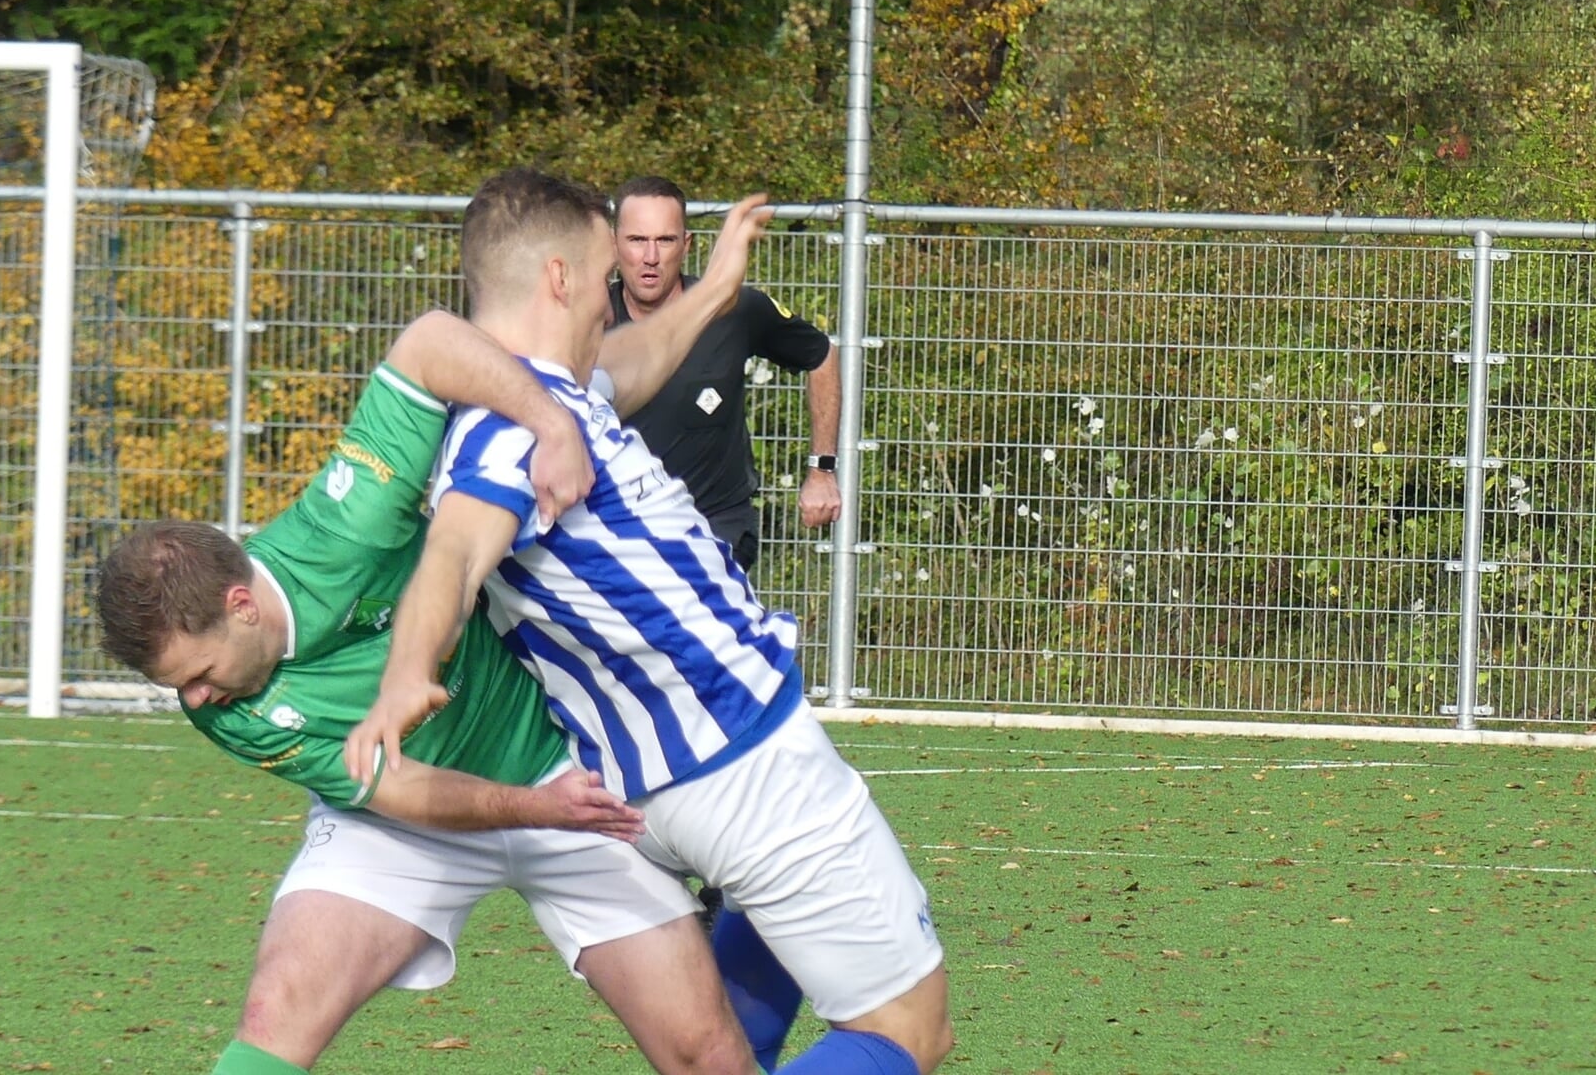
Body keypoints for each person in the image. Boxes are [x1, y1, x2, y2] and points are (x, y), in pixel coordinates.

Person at [95, 198, 776, 1075]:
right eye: (179, 688)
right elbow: (401, 793)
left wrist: (561, 419)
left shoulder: (344, 526)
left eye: (198, 673)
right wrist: (529, 809)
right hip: (408, 822)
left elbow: (431, 342)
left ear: (241, 603)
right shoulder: (221, 708)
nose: (196, 701)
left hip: (569, 772)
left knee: (705, 1053)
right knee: (275, 1014)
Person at [349, 168, 954, 1075]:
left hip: (667, 778)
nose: (614, 298)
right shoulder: (511, 435)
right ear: (560, 278)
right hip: (740, 759)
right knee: (907, 1031)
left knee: (738, 1018)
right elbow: (456, 553)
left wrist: (715, 291)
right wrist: (407, 673)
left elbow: (633, 362)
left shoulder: (546, 397)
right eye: (604, 274)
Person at [608, 175, 842, 571]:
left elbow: (821, 356)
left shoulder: (734, 310)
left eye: (665, 240)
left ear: (686, 245)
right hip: (615, 533)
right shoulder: (584, 321)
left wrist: (822, 470)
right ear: (614, 245)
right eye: (637, 240)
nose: (650, 256)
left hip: (713, 530)